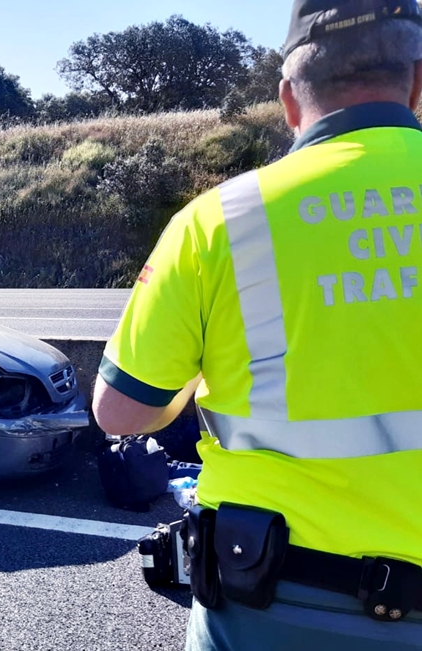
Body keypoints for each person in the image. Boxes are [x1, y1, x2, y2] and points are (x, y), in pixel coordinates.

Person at [91, 2, 422, 648]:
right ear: (417, 82)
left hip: (264, 605)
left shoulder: (220, 222)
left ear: (289, 102)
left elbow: (120, 410)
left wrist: (193, 386)